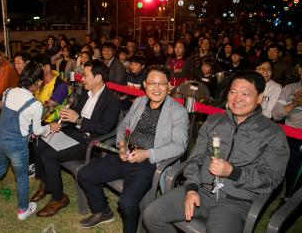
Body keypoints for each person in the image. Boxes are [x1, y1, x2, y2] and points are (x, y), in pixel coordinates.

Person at [143, 70, 290, 233]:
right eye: (233, 92)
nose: (238, 98)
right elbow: (194, 159)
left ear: (260, 97)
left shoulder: (272, 133)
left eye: (245, 93)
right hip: (201, 190)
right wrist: (191, 188)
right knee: (152, 215)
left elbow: (271, 177)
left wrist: (233, 172)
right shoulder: (214, 121)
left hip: (236, 201)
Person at [77, 65, 189, 232]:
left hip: (150, 163)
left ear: (169, 86)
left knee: (127, 203)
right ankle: (103, 212)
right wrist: (122, 145)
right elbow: (123, 127)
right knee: (84, 174)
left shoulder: (178, 111)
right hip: (126, 154)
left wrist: (147, 154)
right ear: (144, 84)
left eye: (162, 84)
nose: (156, 88)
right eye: (152, 83)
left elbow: (180, 145)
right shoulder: (140, 102)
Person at [0, 62, 61, 220]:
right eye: (40, 84)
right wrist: (50, 127)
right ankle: (23, 209)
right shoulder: (35, 104)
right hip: (16, 145)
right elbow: (37, 131)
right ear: (37, 83)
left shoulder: (8, 92)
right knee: (22, 177)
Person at [30, 60, 122, 217]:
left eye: (85, 76)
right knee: (38, 142)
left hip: (90, 143)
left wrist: (78, 120)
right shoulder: (85, 94)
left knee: (48, 155)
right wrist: (66, 115)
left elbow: (104, 128)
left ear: (98, 78)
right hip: (73, 134)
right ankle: (46, 183)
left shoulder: (112, 101)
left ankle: (58, 198)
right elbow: (75, 113)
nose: (82, 79)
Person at [272, 63, 302, 199]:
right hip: (291, 135)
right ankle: (288, 196)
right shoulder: (290, 89)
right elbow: (276, 114)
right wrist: (294, 104)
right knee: (291, 157)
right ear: (300, 70)